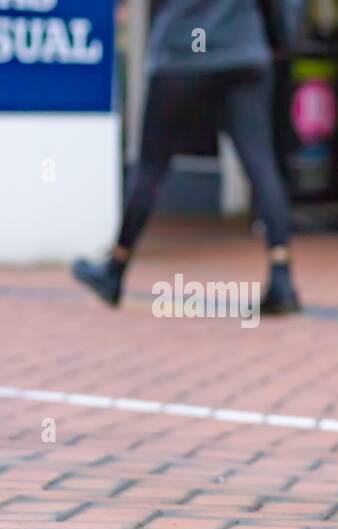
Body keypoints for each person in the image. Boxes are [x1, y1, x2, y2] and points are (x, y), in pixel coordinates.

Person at [73, 0, 300, 314]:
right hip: (242, 50)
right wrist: (279, 39)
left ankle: (115, 270)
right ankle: (282, 277)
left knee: (151, 165)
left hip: (181, 53)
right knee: (261, 164)